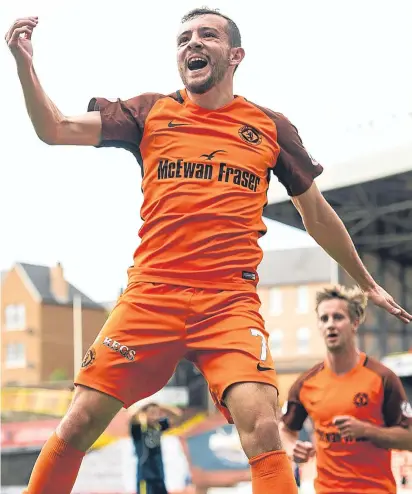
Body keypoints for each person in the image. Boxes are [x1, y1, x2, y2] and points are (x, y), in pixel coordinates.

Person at [5, 7, 412, 494]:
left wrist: (366, 282)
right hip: (151, 296)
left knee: (263, 427)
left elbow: (318, 215)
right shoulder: (150, 111)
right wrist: (24, 64)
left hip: (228, 303)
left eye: (207, 35)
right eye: (184, 38)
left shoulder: (268, 127)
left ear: (235, 55)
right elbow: (53, 128)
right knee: (79, 421)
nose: (192, 43)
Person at [280, 285, 412, 494]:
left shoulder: (383, 378)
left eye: (338, 317)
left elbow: (409, 439)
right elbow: (285, 429)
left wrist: (366, 430)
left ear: (355, 322)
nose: (330, 324)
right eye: (324, 319)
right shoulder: (305, 383)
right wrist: (292, 447)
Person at [129, 402, 182, 494]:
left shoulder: (158, 427)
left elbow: (178, 417)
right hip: (145, 478)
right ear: (145, 414)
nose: (155, 416)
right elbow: (132, 417)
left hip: (159, 477)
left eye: (156, 413)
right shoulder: (139, 429)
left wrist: (161, 407)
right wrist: (144, 407)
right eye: (152, 413)